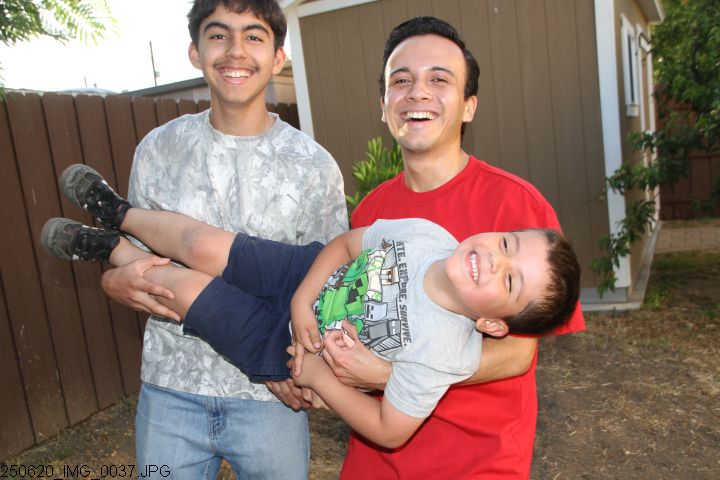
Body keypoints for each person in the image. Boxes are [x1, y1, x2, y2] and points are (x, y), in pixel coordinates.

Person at [41, 163, 580, 450]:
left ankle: (109, 249)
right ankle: (119, 212)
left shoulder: (447, 354)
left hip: (290, 348)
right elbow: (346, 245)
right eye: (507, 244)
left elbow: (391, 430)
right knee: (203, 244)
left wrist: (319, 377)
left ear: (491, 324)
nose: (494, 260)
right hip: (302, 273)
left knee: (185, 291)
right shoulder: (426, 234)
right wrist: (302, 295)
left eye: (511, 281)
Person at [306, 16, 587, 479]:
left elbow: (519, 353)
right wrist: (320, 364)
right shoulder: (374, 211)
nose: (417, 93)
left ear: (469, 106)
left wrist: (389, 376)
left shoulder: (518, 205)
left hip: (477, 463)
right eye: (401, 81)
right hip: (374, 464)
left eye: (439, 80)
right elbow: (349, 316)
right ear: (384, 106)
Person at [96, 0, 347, 478]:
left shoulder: (314, 167)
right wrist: (113, 280)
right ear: (195, 52)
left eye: (253, 36)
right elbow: (138, 262)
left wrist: (291, 367)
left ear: (278, 57)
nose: (235, 51)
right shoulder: (158, 150)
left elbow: (323, 289)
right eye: (218, 35)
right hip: (171, 387)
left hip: (270, 396)